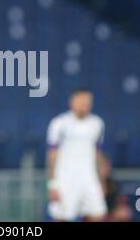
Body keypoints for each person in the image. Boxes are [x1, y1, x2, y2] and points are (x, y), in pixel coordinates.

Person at [46, 88, 107, 221]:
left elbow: (98, 154)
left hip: (89, 178)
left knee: (98, 215)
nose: (85, 104)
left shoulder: (97, 124)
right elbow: (52, 156)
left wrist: (101, 181)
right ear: (72, 102)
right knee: (62, 217)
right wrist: (52, 185)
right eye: (81, 101)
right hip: (65, 179)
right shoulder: (59, 123)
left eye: (87, 101)